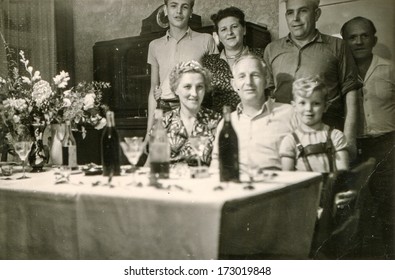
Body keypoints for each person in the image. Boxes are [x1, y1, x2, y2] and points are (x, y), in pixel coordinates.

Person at [263, 0, 360, 158]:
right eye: (290, 12)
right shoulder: (271, 49)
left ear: (316, 14)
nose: (295, 18)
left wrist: (349, 139)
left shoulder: (338, 46)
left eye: (302, 11)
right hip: (284, 135)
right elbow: (267, 96)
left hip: (325, 137)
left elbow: (351, 93)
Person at [341, 16, 395, 259]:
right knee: (356, 209)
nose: (359, 41)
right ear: (344, 42)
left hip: (387, 147)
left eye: (364, 35)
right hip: (353, 147)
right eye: (352, 37)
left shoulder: (390, 68)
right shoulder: (339, 70)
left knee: (390, 206)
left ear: (374, 39)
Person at [211, 54, 299, 174]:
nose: (249, 82)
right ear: (234, 84)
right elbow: (216, 168)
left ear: (267, 80)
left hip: (277, 188)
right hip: (237, 189)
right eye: (242, 76)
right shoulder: (227, 123)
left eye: (255, 75)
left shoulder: (290, 114)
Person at [146, 0, 217, 138]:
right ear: (165, 10)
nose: (178, 11)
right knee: (163, 157)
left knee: (196, 156)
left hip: (195, 110)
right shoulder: (154, 46)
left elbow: (213, 84)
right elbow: (153, 89)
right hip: (165, 111)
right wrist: (149, 131)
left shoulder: (206, 40)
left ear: (191, 12)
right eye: (173, 6)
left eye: (184, 7)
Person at [154, 60, 220, 166]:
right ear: (175, 89)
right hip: (171, 181)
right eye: (187, 87)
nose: (194, 94)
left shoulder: (217, 121)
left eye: (199, 87)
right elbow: (154, 163)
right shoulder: (163, 121)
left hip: (204, 180)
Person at [201, 6, 264, 113]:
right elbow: (204, 101)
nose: (229, 32)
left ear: (244, 30)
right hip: (220, 121)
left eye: (234, 26)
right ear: (219, 36)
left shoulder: (260, 56)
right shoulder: (208, 62)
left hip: (255, 118)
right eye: (223, 29)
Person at [280, 76, 349, 173]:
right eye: (302, 103)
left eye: (316, 103)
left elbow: (343, 175)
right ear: (294, 106)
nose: (308, 108)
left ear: (325, 106)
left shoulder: (335, 136)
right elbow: (287, 179)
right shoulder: (290, 141)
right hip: (303, 188)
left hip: (332, 187)